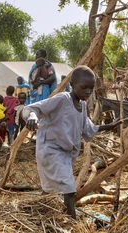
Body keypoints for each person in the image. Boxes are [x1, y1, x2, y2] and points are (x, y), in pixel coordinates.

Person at [24, 66, 121, 219]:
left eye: (91, 88)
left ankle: (36, 212)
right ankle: (72, 223)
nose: (88, 91)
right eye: (84, 87)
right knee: (69, 189)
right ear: (72, 84)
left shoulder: (82, 106)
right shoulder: (62, 99)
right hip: (51, 150)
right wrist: (32, 117)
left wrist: (109, 126)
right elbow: (32, 108)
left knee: (50, 189)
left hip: (66, 155)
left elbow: (88, 129)